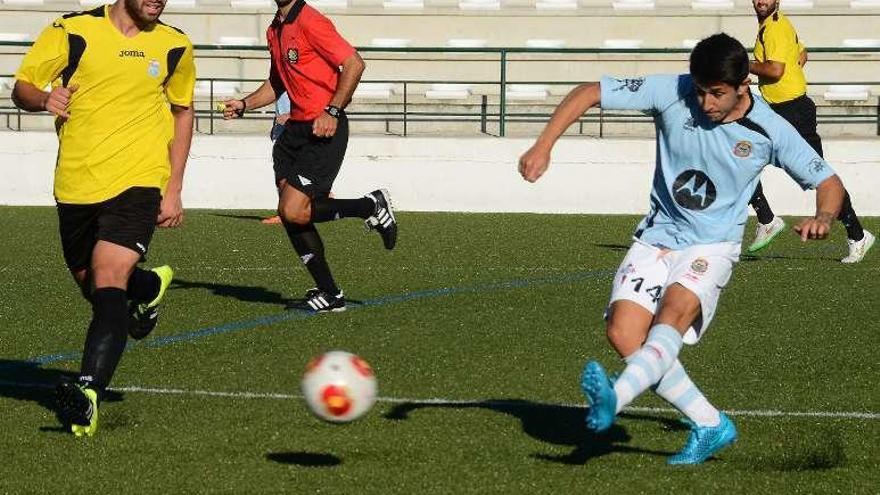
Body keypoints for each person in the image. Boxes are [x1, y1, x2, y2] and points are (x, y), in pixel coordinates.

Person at [518, 33, 845, 465]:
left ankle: (612, 399)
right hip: (657, 236)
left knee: (670, 317)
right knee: (623, 333)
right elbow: (589, 92)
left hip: (712, 246)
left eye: (717, 93)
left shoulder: (769, 129)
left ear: (744, 84)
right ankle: (711, 424)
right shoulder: (674, 90)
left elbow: (828, 182)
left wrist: (823, 216)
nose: (706, 102)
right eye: (701, 90)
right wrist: (544, 145)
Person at [12, 0, 195, 436]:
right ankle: (149, 286)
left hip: (139, 180)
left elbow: (182, 111)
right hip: (77, 182)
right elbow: (22, 87)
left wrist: (173, 189)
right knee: (92, 285)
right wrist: (44, 98)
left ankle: (87, 393)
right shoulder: (72, 31)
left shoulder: (174, 45)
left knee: (109, 275)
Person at [222, 0, 397, 313]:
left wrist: (332, 110)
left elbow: (354, 64)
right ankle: (330, 294)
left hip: (323, 129)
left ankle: (370, 205)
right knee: (292, 215)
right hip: (293, 134)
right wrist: (246, 104)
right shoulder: (274, 28)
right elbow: (278, 82)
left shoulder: (311, 21)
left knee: (293, 210)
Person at [747, 0, 873, 262]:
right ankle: (766, 219)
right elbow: (802, 54)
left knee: (821, 177)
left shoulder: (775, 27)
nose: (761, 1)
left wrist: (742, 65)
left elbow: (775, 69)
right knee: (738, 155)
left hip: (794, 112)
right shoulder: (771, 26)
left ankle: (858, 235)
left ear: (777, 1)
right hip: (776, 110)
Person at [261, 91, 291, 225]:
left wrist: (292, 116)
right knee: (281, 174)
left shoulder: (305, 74)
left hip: (298, 126)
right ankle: (283, 214)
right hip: (282, 128)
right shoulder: (283, 75)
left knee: (297, 173)